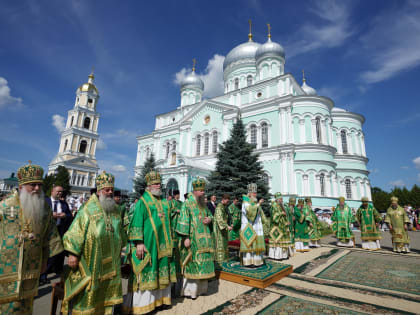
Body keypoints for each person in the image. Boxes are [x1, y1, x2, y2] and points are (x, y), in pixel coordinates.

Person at [0, 162, 63, 314]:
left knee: (26, 304)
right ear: (21, 186)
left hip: (32, 267)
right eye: (32, 185)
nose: (37, 189)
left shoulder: (44, 209)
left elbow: (50, 236)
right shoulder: (4, 207)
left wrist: (45, 260)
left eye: (39, 185)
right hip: (5, 267)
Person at [61, 171, 125, 315]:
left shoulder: (115, 211)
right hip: (92, 261)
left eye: (111, 190)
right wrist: (73, 254)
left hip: (112, 263)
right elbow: (75, 231)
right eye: (106, 190)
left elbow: (120, 232)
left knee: (107, 298)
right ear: (99, 190)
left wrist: (123, 247)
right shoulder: (87, 209)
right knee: (88, 295)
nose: (110, 193)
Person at [123, 171, 176, 314]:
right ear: (149, 185)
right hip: (149, 244)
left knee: (162, 273)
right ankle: (143, 306)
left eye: (159, 183)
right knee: (148, 271)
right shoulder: (143, 202)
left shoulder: (163, 202)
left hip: (164, 245)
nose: (158, 185)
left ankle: (161, 301)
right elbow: (136, 222)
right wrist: (139, 242)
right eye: (155, 183)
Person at [176, 178, 215, 299]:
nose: (203, 193)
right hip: (193, 240)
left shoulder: (203, 204)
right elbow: (183, 221)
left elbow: (210, 215)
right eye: (201, 191)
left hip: (205, 240)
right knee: (193, 264)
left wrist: (209, 219)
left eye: (204, 190)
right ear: (195, 191)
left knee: (203, 264)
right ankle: (190, 291)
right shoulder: (187, 204)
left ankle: (201, 289)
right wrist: (185, 237)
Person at [40, 185, 73, 284]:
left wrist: (64, 216)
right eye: (58, 191)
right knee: (46, 254)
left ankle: (56, 269)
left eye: (61, 192)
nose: (60, 193)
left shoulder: (63, 204)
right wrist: (51, 215)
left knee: (58, 252)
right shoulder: (45, 202)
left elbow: (69, 216)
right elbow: (38, 214)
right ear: (52, 191)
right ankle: (43, 275)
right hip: (47, 232)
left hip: (60, 231)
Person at [240, 183, 267, 266]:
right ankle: (248, 262)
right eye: (254, 193)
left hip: (256, 227)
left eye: (256, 193)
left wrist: (264, 220)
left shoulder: (253, 202)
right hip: (248, 227)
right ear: (250, 193)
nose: (256, 194)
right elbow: (249, 212)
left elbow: (259, 212)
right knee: (249, 244)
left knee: (255, 245)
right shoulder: (246, 201)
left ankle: (256, 261)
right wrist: (258, 204)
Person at [268, 193, 293, 260]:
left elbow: (284, 215)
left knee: (282, 241)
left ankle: (283, 255)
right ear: (277, 199)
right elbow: (274, 216)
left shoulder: (280, 206)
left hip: (282, 226)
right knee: (277, 241)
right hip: (276, 226)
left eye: (282, 199)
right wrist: (281, 213)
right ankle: (276, 256)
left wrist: (286, 222)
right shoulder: (274, 205)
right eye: (281, 199)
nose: (282, 200)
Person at [170, 190, 183, 295]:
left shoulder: (181, 203)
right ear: (174, 195)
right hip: (173, 226)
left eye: (178, 194)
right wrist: (175, 211)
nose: (177, 196)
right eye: (176, 195)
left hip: (180, 226)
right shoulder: (171, 203)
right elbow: (169, 211)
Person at [214, 194, 233, 263]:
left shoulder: (224, 206)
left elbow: (228, 216)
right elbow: (220, 219)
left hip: (223, 228)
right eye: (227, 201)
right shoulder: (219, 207)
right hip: (219, 229)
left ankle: (224, 257)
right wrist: (227, 226)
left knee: (224, 242)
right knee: (220, 243)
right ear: (223, 199)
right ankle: (219, 258)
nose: (227, 203)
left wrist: (230, 223)